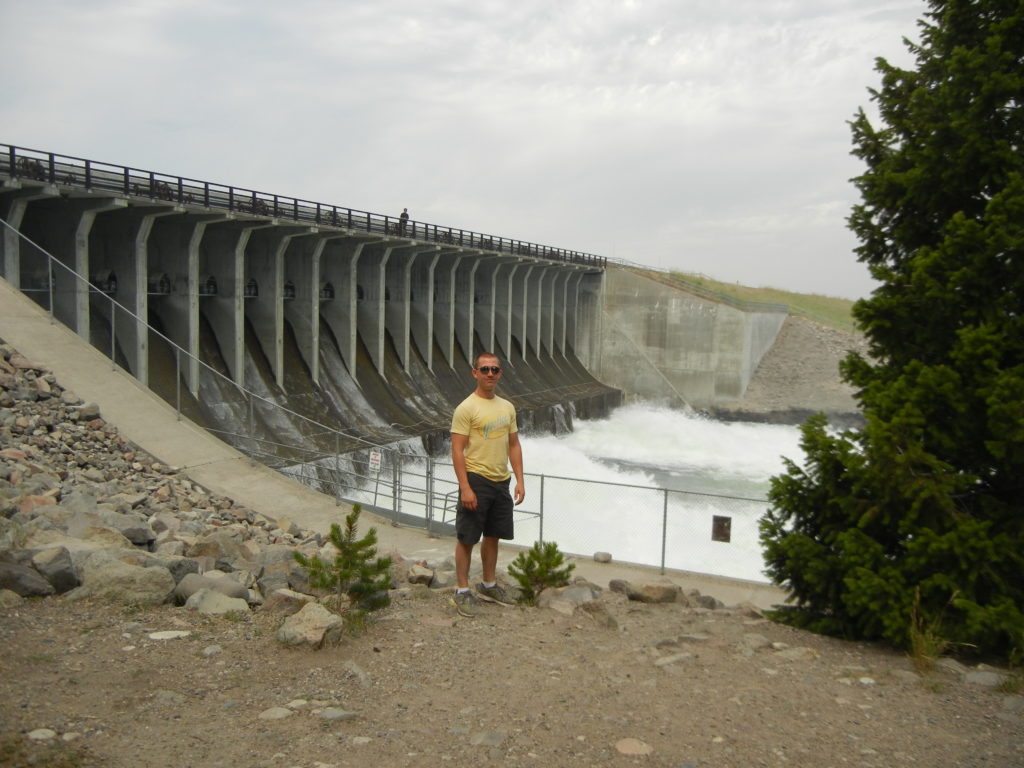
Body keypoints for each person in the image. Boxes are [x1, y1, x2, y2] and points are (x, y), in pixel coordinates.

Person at [450, 352, 525, 617]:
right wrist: (465, 487)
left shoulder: (507, 407)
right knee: (467, 537)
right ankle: (461, 591)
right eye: (485, 369)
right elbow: (457, 451)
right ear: (475, 373)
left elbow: (514, 444)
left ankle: (489, 584)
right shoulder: (466, 408)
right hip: (476, 480)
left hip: (501, 481)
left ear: (500, 373)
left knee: (493, 535)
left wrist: (520, 479)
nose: (490, 374)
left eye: (494, 369)